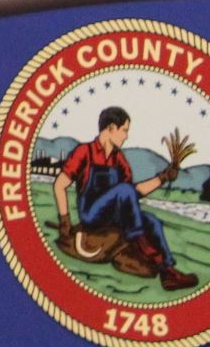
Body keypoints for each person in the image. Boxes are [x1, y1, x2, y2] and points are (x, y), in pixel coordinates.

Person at [55, 105, 196, 291]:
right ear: (111, 128)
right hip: (91, 214)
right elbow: (59, 185)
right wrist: (64, 221)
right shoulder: (85, 152)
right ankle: (146, 248)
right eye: (124, 131)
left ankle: (167, 271)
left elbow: (133, 193)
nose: (126, 136)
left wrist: (163, 177)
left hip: (113, 215)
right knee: (123, 190)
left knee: (152, 221)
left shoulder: (118, 158)